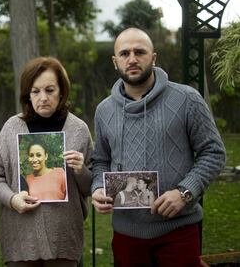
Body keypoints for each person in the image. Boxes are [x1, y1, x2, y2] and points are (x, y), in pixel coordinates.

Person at [91, 28, 226, 266]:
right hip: (126, 233)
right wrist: (98, 188)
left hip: (178, 230)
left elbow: (213, 152)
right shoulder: (104, 111)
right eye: (124, 53)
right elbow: (100, 160)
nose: (132, 59)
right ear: (115, 62)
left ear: (153, 57)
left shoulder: (187, 99)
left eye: (139, 52)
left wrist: (185, 193)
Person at [0, 56, 93, 266]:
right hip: (20, 238)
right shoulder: (12, 128)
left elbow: (91, 187)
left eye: (50, 90)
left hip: (64, 239)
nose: (43, 97)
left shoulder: (78, 130)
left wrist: (81, 171)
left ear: (61, 92)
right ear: (27, 95)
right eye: (36, 91)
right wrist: (12, 198)